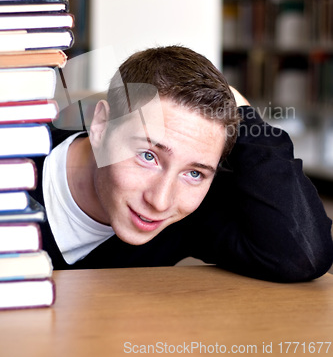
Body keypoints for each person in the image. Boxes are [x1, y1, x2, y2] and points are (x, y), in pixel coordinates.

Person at [33, 45, 333, 281]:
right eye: (148, 156)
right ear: (100, 125)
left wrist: (244, 115)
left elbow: (303, 253)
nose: (160, 202)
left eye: (194, 173)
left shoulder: (190, 213)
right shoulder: (15, 167)